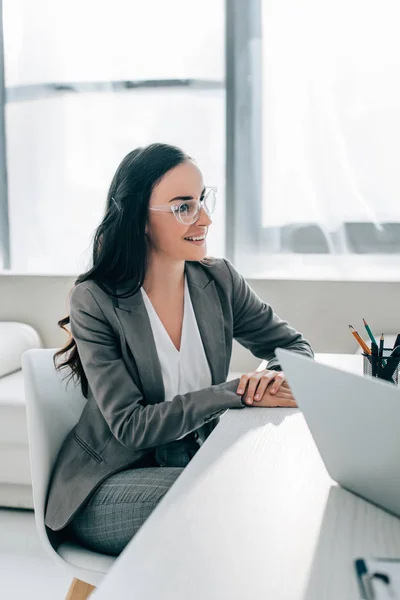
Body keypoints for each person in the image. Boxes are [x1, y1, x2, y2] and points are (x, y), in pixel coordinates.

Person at [46, 143, 313, 556]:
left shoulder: (219, 280)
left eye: (203, 200)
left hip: (189, 462)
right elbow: (132, 427)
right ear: (139, 220)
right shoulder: (94, 300)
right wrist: (236, 391)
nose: (204, 218)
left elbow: (292, 346)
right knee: (235, 497)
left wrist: (271, 378)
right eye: (183, 207)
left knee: (264, 483)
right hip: (109, 484)